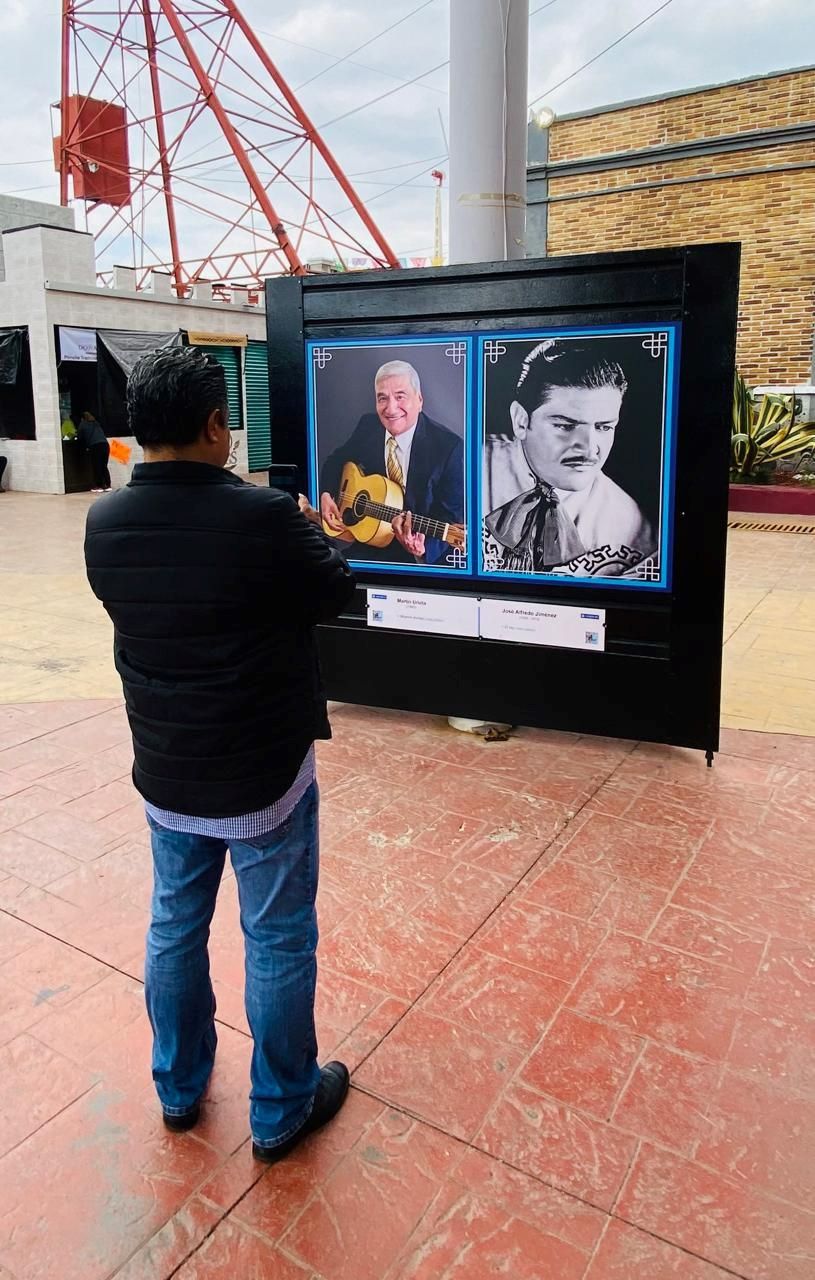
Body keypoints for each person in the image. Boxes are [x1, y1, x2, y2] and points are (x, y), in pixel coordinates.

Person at [84, 346, 356, 1163]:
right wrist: (314, 533)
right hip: (261, 775)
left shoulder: (104, 520)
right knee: (275, 936)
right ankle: (279, 1110)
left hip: (167, 769)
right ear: (214, 426)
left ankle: (177, 1090)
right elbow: (331, 591)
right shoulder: (261, 517)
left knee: (174, 923)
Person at [483, 340, 655, 578]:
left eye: (604, 427)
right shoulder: (467, 467)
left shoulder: (630, 528)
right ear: (521, 420)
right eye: (565, 426)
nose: (588, 448)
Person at [320, 359, 464, 566]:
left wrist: (423, 549)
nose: (391, 408)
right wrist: (326, 493)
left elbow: (450, 515)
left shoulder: (449, 447)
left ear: (419, 400)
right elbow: (336, 460)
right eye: (382, 398)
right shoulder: (368, 426)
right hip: (369, 541)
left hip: (414, 555)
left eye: (400, 396)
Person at [76, 410, 111, 493]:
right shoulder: (96, 423)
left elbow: (80, 437)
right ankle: (107, 485)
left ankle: (98, 486)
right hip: (105, 445)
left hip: (95, 446)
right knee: (104, 465)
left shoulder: (83, 424)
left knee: (97, 466)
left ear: (82, 418)